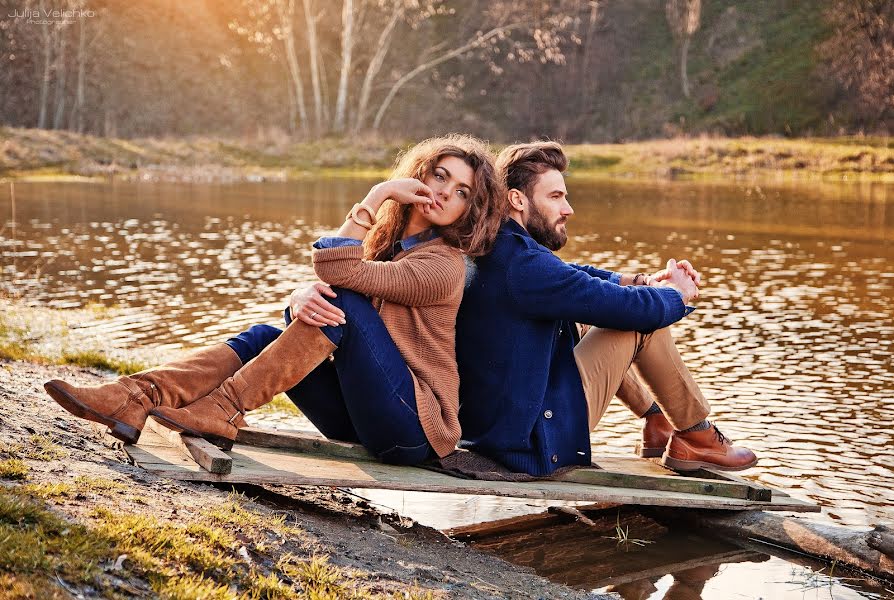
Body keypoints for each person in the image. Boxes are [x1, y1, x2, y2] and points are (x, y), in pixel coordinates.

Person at [45, 134, 504, 464]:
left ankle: (221, 410)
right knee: (268, 334)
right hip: (357, 417)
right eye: (439, 175)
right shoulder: (388, 247)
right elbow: (332, 281)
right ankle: (136, 397)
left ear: (469, 208)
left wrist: (378, 194)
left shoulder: (443, 264)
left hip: (414, 430)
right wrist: (298, 298)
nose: (444, 191)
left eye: (461, 191)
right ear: (419, 175)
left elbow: (339, 275)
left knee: (345, 302)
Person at [454, 141, 757, 476]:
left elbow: (575, 278)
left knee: (603, 316)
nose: (567, 209)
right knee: (641, 322)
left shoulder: (501, 247)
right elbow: (620, 306)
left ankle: (658, 421)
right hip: (532, 441)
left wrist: (639, 281)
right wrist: (677, 294)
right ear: (517, 199)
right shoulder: (523, 266)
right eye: (555, 197)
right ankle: (697, 436)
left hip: (501, 427)